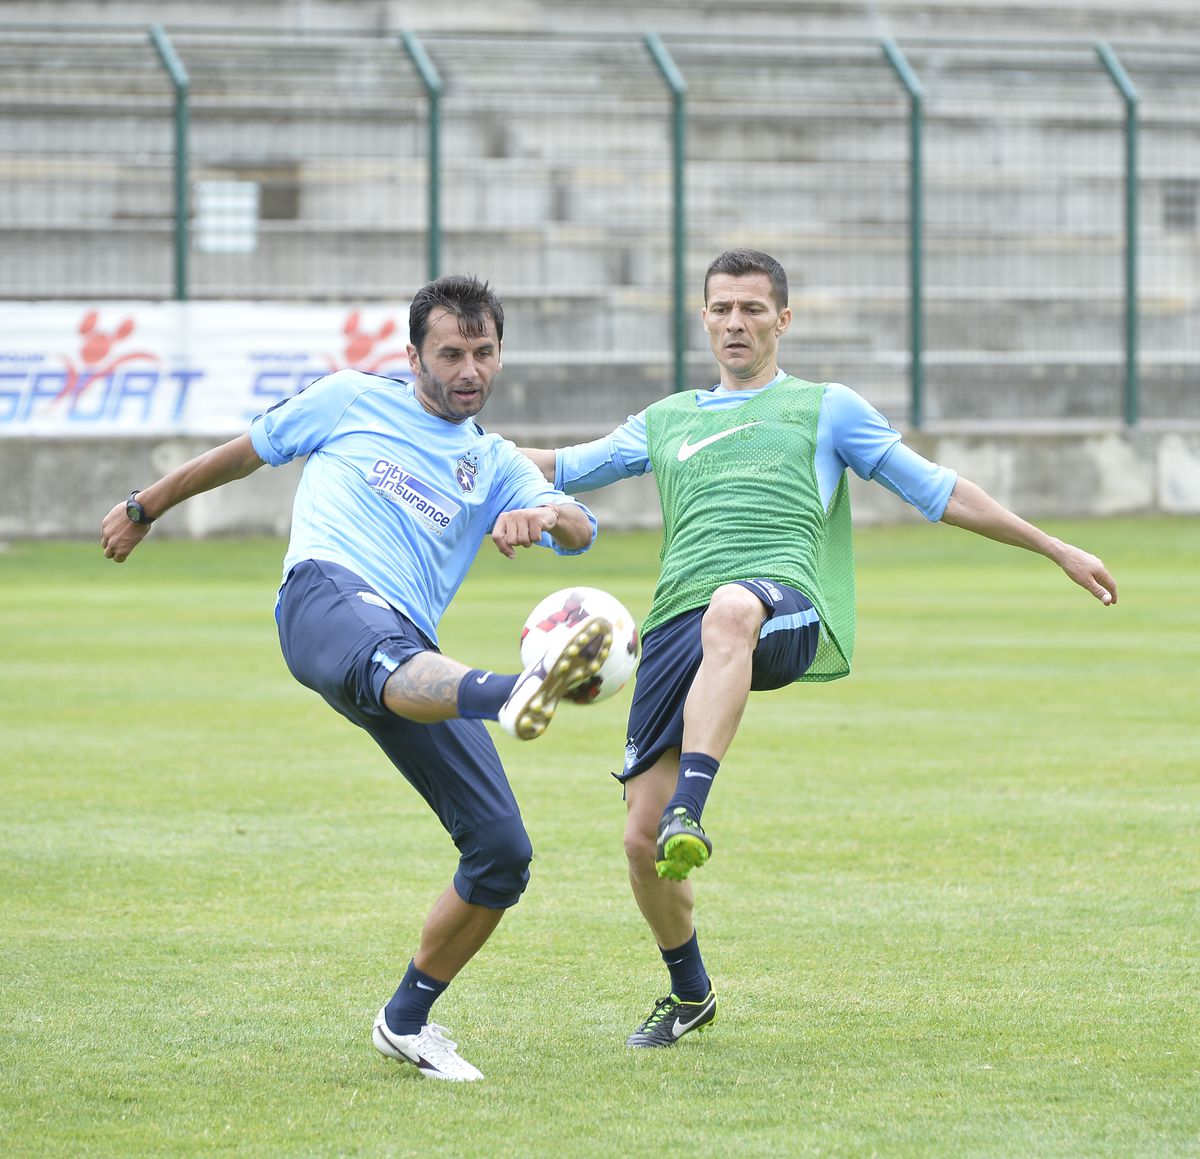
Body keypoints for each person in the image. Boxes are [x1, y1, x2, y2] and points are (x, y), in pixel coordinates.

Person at [522, 248, 1118, 1050]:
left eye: (753, 309)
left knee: (732, 609)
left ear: (783, 320)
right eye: (722, 308)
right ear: (704, 318)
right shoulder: (666, 419)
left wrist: (1056, 547)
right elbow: (561, 465)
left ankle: (692, 807)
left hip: (780, 607)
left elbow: (937, 489)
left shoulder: (827, 407)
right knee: (639, 840)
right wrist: (455, 447)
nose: (736, 322)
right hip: (673, 629)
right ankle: (690, 991)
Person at [100, 274, 615, 1082]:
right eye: (451, 353)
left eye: (484, 352)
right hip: (324, 596)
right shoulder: (350, 399)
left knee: (501, 851)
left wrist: (547, 512)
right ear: (412, 355)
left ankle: (405, 1020)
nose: (469, 370)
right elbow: (243, 452)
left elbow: (582, 528)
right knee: (389, 655)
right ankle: (510, 691)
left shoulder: (494, 462)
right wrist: (145, 506)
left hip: (416, 655)